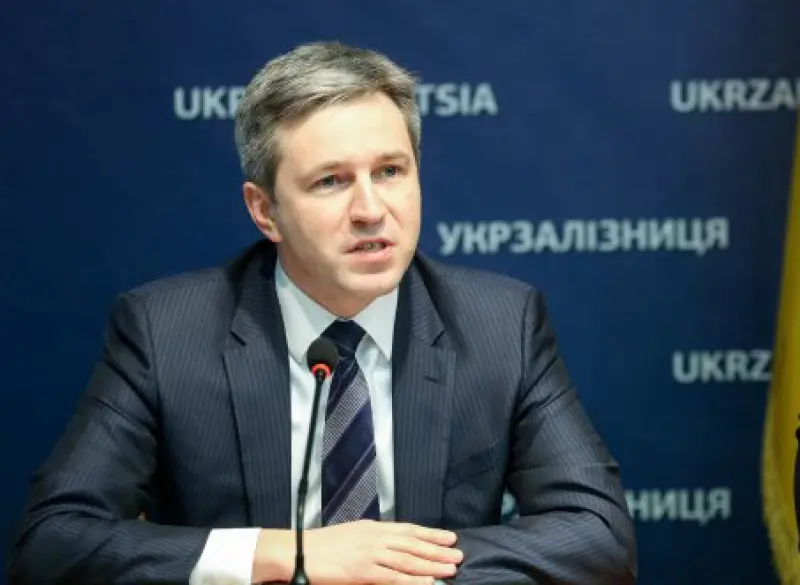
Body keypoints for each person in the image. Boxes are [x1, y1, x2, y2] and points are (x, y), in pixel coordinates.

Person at [8, 41, 637, 584]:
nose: (370, 210)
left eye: (390, 171)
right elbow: (53, 543)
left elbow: (597, 536)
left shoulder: (500, 324)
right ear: (265, 211)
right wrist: (291, 556)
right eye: (330, 181)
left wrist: (390, 568)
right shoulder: (167, 332)